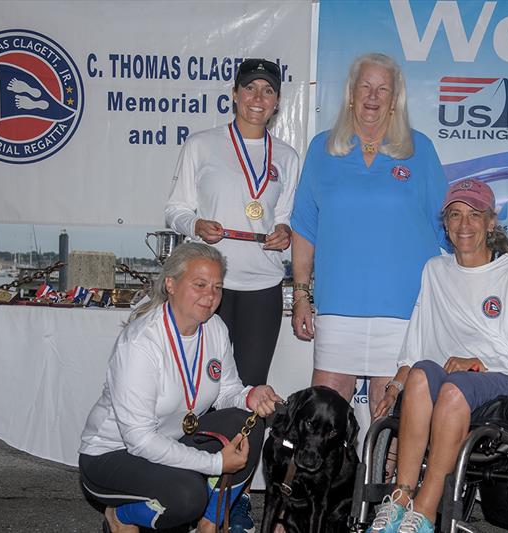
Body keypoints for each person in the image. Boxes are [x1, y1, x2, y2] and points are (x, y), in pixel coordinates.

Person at [367, 179, 508, 533]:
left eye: (474, 215)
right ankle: (401, 498)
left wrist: (482, 363)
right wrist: (395, 385)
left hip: (503, 377)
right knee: (421, 376)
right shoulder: (435, 271)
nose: (463, 224)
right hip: (454, 378)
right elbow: (418, 343)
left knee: (454, 388)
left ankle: (425, 510)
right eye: (455, 215)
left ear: (490, 223)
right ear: (446, 224)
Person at [166, 59, 299, 529]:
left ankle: (233, 497)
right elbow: (176, 210)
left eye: (267, 90)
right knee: (197, 389)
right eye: (250, 88)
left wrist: (282, 231)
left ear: (277, 101)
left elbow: (283, 217)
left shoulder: (286, 155)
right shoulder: (202, 145)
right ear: (235, 94)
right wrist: (194, 225)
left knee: (252, 398)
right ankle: (182, 482)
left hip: (262, 286)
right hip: (209, 288)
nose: (258, 98)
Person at [79, 242, 281, 533]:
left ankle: (210, 523)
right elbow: (139, 440)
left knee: (248, 422)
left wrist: (250, 395)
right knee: (188, 497)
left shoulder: (214, 328)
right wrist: (214, 463)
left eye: (217, 287)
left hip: (172, 441)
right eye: (200, 284)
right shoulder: (141, 343)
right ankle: (121, 516)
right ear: (171, 284)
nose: (210, 296)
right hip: (114, 454)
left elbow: (227, 391)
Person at [290, 53, 447, 419]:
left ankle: (386, 479)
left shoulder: (419, 150)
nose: (373, 96)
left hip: (403, 308)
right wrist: (301, 294)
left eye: (383, 89)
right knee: (323, 416)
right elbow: (304, 227)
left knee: (389, 415)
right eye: (365, 86)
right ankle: (331, 481)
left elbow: (448, 226)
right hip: (337, 304)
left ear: (395, 100)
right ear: (350, 93)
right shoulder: (322, 149)